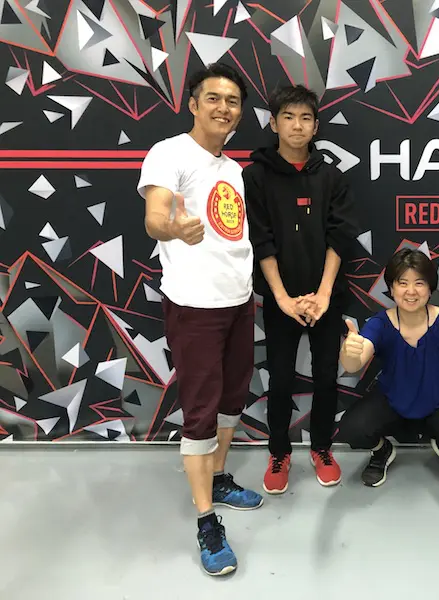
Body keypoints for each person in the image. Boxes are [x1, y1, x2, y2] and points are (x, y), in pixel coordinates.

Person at [138, 63, 263, 577]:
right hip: (194, 305)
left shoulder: (232, 168)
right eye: (213, 98)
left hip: (238, 300)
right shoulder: (169, 153)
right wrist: (173, 229)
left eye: (232, 101)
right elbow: (155, 215)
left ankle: (219, 476)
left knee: (232, 398)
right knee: (200, 411)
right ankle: (207, 521)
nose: (223, 108)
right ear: (193, 104)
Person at [243, 84, 358, 495]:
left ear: (316, 126)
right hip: (281, 299)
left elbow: (339, 237)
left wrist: (323, 295)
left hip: (326, 297)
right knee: (280, 378)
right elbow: (261, 240)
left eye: (305, 118)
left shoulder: (331, 177)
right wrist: (282, 298)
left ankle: (322, 448)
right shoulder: (254, 176)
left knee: (326, 376)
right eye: (288, 117)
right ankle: (279, 451)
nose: (297, 125)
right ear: (274, 124)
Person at [336, 248, 439, 486]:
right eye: (402, 283)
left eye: (419, 283)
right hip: (392, 402)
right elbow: (354, 362)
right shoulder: (380, 323)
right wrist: (349, 352)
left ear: (430, 288)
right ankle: (382, 451)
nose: (411, 291)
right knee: (352, 429)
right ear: (391, 288)